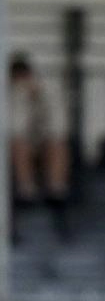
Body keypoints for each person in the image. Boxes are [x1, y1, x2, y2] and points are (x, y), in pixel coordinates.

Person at [7, 52, 70, 207]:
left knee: (57, 144)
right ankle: (26, 188)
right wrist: (19, 97)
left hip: (43, 140)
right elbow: (16, 128)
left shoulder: (47, 91)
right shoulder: (9, 95)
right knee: (19, 144)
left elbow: (57, 127)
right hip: (19, 142)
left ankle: (56, 187)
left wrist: (39, 96)